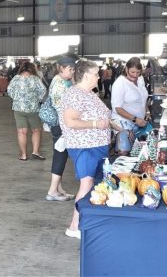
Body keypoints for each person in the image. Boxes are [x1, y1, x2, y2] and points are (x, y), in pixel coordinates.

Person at [60, 60, 111, 239]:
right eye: (97, 74)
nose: (99, 77)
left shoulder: (89, 93)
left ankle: (85, 223)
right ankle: (74, 226)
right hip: (85, 147)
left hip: (96, 146)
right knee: (86, 184)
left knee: (92, 185)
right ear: (87, 75)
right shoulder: (75, 94)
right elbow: (70, 121)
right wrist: (97, 124)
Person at [45, 56, 76, 202]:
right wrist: (66, 128)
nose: (72, 72)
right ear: (61, 68)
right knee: (60, 155)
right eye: (70, 69)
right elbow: (59, 109)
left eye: (73, 69)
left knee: (62, 156)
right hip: (60, 125)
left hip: (64, 123)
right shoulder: (58, 84)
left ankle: (59, 188)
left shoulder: (66, 81)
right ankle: (52, 191)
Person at [7, 62, 46, 161]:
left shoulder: (16, 78)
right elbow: (43, 90)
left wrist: (17, 99)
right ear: (33, 69)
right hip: (33, 109)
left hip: (19, 108)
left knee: (22, 132)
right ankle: (35, 152)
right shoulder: (35, 79)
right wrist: (37, 99)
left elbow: (9, 90)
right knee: (36, 130)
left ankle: (24, 155)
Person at [111, 57, 150, 154]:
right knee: (125, 153)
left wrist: (147, 111)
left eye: (138, 72)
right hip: (124, 124)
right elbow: (117, 108)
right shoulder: (120, 83)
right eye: (132, 72)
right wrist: (135, 119)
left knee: (142, 152)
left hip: (139, 123)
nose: (135, 75)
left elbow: (143, 98)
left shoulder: (140, 79)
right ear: (126, 69)